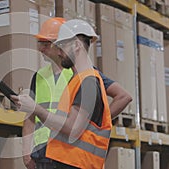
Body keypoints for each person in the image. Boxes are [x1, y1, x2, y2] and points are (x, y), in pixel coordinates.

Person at [12, 19, 129, 169]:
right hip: (63, 158)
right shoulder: (77, 79)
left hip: (77, 161)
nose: (59, 52)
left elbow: (72, 127)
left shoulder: (88, 81)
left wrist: (36, 109)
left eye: (61, 46)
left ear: (76, 46)